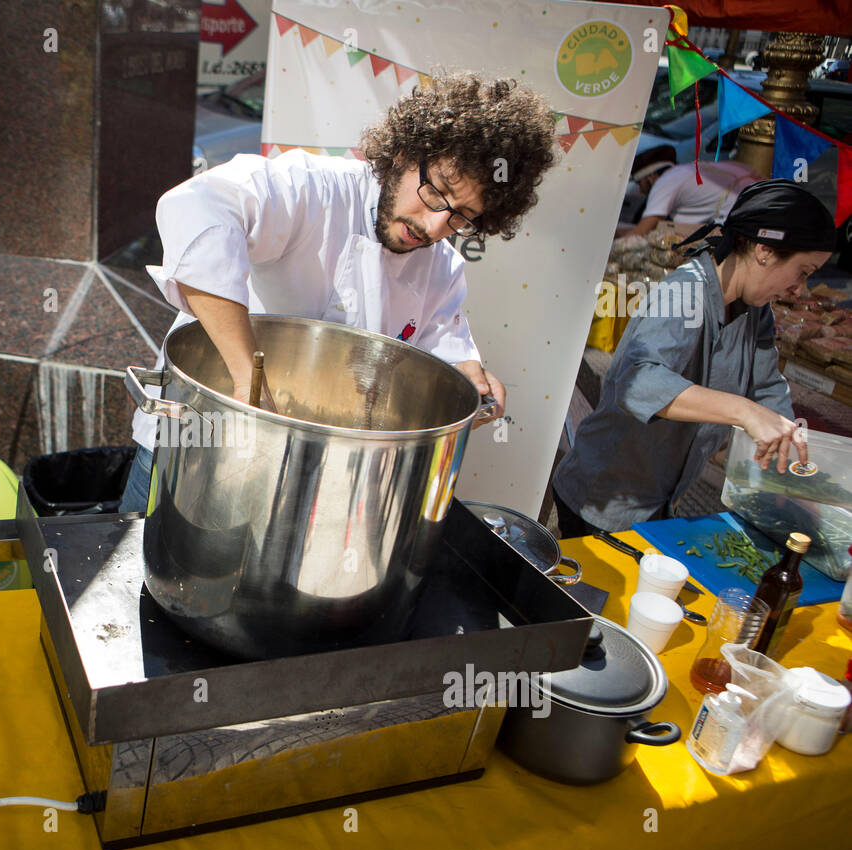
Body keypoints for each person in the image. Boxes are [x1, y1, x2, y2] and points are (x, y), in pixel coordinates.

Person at [119, 72, 558, 511]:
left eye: (462, 217)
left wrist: (469, 380)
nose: (433, 226)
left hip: (316, 485)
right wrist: (246, 379)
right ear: (405, 154)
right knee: (145, 567)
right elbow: (197, 206)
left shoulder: (441, 268)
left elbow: (445, 352)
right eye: (434, 193)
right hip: (196, 447)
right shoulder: (313, 189)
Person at [552, 179, 838, 536]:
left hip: (662, 500)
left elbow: (766, 389)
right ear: (764, 250)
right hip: (605, 499)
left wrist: (796, 475)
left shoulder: (756, 311)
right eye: (803, 273)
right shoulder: (686, 292)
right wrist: (745, 412)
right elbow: (639, 383)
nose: (800, 289)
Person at [617, 158, 760, 238]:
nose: (640, 191)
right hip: (756, 201)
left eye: (639, 183)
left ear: (651, 177)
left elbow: (641, 231)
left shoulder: (666, 181)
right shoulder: (681, 172)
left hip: (745, 214)